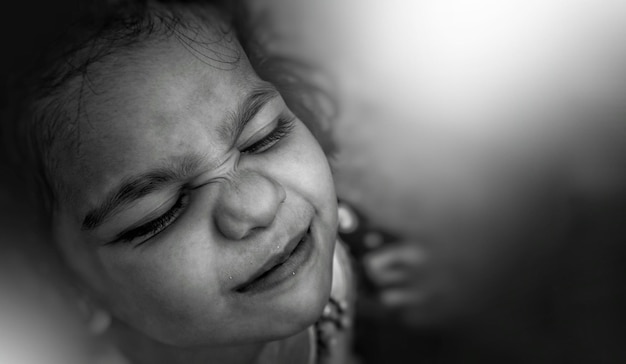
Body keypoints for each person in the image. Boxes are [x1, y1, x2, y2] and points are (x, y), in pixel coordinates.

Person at [4, 0, 354, 363]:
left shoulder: (318, 261)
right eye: (161, 214)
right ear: (63, 287)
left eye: (263, 136)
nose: (259, 205)